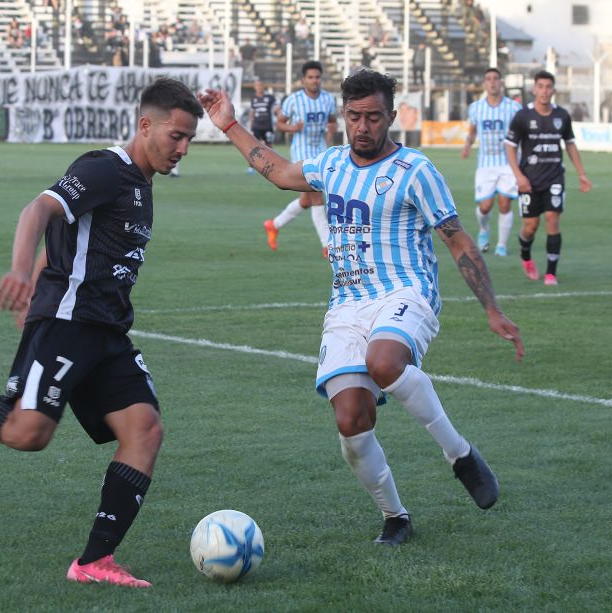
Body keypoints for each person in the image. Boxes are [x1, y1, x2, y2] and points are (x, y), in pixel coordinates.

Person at [0, 78, 204, 587]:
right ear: (146, 124)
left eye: (189, 140)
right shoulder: (105, 169)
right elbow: (41, 209)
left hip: (108, 333)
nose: (182, 149)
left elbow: (70, 237)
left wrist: (35, 274)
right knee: (28, 434)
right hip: (69, 326)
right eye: (176, 136)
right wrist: (17, 271)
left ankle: (94, 561)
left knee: (144, 430)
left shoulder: (141, 184)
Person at [199, 69, 523, 545]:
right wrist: (229, 124)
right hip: (348, 303)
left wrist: (492, 308)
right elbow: (278, 170)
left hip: (405, 292)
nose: (363, 126)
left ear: (391, 116)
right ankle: (396, 517)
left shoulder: (416, 170)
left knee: (384, 361)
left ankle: (461, 456)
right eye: (354, 116)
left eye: (373, 117)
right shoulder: (330, 165)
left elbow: (458, 243)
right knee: (351, 418)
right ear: (343, 116)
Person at [505, 70, 592, 285]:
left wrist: (582, 174)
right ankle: (525, 255)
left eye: (548, 87)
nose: (544, 91)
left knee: (553, 219)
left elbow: (570, 144)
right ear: (534, 89)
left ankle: (551, 273)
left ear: (553, 90)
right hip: (529, 180)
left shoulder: (561, 116)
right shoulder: (523, 116)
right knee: (530, 227)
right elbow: (510, 147)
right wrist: (519, 176)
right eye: (541, 86)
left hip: (554, 178)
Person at [263, 61, 337, 254]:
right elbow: (280, 124)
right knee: (317, 195)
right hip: (302, 152)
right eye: (310, 77)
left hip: (320, 150)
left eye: (317, 77)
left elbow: (332, 121)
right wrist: (292, 128)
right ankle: (327, 245)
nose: (314, 81)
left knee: (306, 200)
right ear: (303, 79)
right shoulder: (294, 100)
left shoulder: (328, 99)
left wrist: (330, 133)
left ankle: (274, 225)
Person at [461, 67, 522, 256]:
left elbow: (522, 132)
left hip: (508, 163)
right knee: (485, 206)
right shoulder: (476, 108)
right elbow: (472, 130)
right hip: (486, 164)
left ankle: (501, 245)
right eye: (489, 79)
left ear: (501, 83)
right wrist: (467, 145)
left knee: (505, 203)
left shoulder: (513, 107)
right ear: (484, 84)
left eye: (496, 78)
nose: (493, 82)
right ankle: (484, 230)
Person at [246, 79, 276, 175]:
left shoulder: (270, 98)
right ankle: (251, 167)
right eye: (257, 86)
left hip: (268, 126)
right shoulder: (253, 99)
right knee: (254, 146)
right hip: (257, 126)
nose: (259, 88)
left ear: (263, 87)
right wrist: (251, 123)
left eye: (261, 86)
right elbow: (252, 112)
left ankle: (273, 164)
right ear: (255, 88)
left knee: (269, 145)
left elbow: (275, 109)